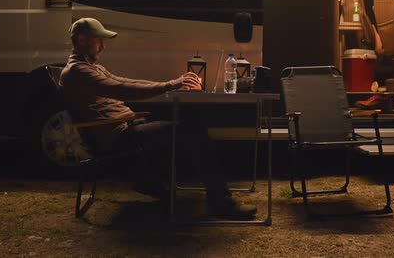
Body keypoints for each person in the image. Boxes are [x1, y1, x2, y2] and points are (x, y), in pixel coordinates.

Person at [60, 17, 257, 220]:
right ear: (82, 40)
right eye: (98, 40)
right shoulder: (79, 71)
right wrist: (171, 85)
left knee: (187, 124)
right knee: (193, 131)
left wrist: (168, 83)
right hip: (120, 136)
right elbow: (122, 89)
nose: (103, 46)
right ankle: (221, 203)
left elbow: (125, 81)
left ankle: (152, 182)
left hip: (128, 127)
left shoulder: (91, 67)